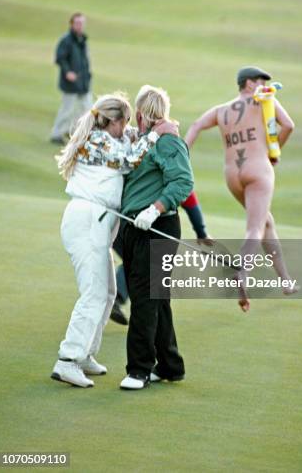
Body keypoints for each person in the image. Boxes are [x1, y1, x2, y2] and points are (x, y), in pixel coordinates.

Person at [51, 92, 176, 388]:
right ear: (113, 120)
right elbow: (130, 160)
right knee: (93, 293)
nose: (129, 126)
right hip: (87, 220)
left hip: (98, 223)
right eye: (126, 120)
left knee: (108, 292)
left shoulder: (112, 137)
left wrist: (153, 127)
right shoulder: (98, 141)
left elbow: (133, 138)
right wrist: (157, 135)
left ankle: (85, 355)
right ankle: (67, 359)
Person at [185, 66, 298, 311]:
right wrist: (273, 150)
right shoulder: (264, 102)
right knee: (255, 227)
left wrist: (181, 154)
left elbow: (195, 125)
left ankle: (286, 281)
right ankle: (242, 273)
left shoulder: (221, 110)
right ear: (247, 83)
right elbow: (289, 125)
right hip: (258, 170)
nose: (263, 86)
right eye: (259, 81)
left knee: (266, 222)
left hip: (232, 175)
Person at [120, 85, 194, 390]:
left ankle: (138, 369)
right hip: (133, 227)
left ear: (140, 114)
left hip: (157, 227)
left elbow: (183, 181)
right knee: (156, 299)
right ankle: (170, 365)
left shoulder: (167, 141)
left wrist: (155, 208)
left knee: (145, 298)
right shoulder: (141, 142)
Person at [110, 190, 211, 326]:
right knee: (143, 262)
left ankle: (117, 300)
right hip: (127, 224)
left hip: (114, 222)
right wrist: (202, 233)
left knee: (140, 263)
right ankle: (117, 299)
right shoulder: (175, 180)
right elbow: (190, 202)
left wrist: (201, 233)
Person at [51, 13, 93, 144]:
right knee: (67, 109)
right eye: (77, 23)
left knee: (86, 109)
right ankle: (56, 134)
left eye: (82, 23)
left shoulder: (83, 40)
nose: (80, 26)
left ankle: (75, 133)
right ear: (72, 24)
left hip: (83, 82)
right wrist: (67, 72)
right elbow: (60, 58)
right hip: (70, 83)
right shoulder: (66, 40)